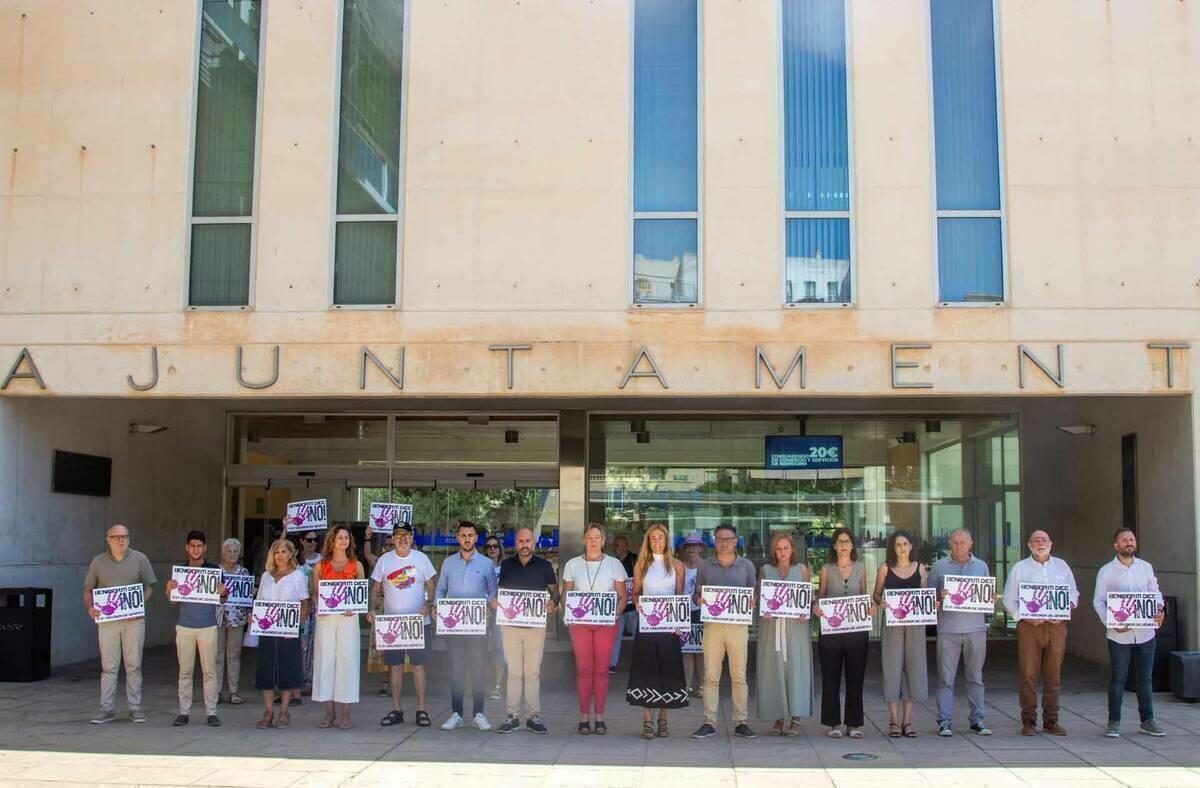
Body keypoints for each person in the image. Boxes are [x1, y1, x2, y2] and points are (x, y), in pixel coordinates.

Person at [1002, 530, 1078, 736]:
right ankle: (1029, 721)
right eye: (1036, 540)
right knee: (1028, 675)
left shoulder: (1062, 567)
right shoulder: (1020, 568)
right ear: (1029, 545)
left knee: (1054, 675)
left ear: (1051, 544)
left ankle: (1051, 721)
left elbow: (1073, 593)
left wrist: (1064, 612)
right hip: (1029, 627)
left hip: (1056, 627)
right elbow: (1009, 599)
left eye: (1044, 540)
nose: (1040, 543)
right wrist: (1023, 617)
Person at [1093, 527, 1166, 738]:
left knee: (1145, 679)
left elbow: (1156, 594)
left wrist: (1161, 610)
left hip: (1145, 633)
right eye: (1124, 540)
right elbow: (1098, 601)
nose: (1129, 543)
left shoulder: (1146, 568)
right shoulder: (1106, 571)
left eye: (1131, 539)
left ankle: (1148, 720)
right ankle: (1113, 721)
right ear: (1116, 545)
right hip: (1119, 635)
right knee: (1118, 678)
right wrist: (1110, 622)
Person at [84, 523, 157, 724]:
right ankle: (106, 709)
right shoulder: (98, 562)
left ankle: (135, 708)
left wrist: (139, 603)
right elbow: (88, 589)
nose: (121, 540)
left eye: (124, 536)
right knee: (109, 666)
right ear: (108, 540)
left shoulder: (140, 559)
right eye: (116, 537)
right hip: (108, 623)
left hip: (134, 621)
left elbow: (150, 585)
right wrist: (90, 608)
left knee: (134, 665)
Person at [691, 523, 757, 740]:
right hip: (713, 627)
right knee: (710, 676)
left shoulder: (747, 566)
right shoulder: (705, 567)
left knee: (739, 676)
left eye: (728, 539)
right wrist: (699, 599)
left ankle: (741, 721)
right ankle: (709, 721)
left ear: (736, 541)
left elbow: (753, 595)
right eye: (720, 539)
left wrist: (752, 602)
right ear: (714, 542)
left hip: (738, 627)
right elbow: (696, 594)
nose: (724, 543)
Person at [369, 521, 437, 729]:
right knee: (395, 667)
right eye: (398, 535)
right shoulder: (384, 560)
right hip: (393, 624)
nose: (402, 539)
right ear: (392, 538)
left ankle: (421, 710)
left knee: (418, 666)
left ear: (412, 537)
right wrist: (372, 609)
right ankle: (397, 710)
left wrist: (428, 603)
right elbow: (375, 587)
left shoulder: (421, 559)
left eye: (406, 535)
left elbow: (432, 584)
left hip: (418, 622)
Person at [562, 524, 627, 735]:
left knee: (601, 670)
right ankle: (583, 717)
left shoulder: (614, 564)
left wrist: (615, 613)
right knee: (583, 669)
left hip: (606, 624)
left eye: (597, 537)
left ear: (603, 540)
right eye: (589, 537)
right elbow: (566, 593)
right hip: (580, 624)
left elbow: (623, 595)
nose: (593, 541)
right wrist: (568, 612)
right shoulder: (572, 564)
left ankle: (599, 716)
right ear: (583, 540)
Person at [624, 524, 688, 738]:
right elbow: (635, 593)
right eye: (653, 538)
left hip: (669, 627)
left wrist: (680, 623)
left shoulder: (678, 566)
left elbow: (679, 596)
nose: (657, 542)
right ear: (648, 541)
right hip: (648, 625)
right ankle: (647, 721)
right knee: (646, 670)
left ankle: (663, 719)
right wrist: (638, 603)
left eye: (661, 538)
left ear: (667, 540)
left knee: (666, 671)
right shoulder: (641, 565)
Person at [927, 528, 992, 737]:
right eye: (955, 543)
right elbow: (929, 600)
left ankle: (977, 720)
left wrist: (989, 599)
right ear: (949, 544)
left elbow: (987, 596)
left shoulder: (981, 566)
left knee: (975, 677)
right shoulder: (939, 567)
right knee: (946, 678)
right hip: (948, 630)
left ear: (970, 543)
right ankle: (944, 721)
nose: (959, 546)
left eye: (963, 542)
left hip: (976, 629)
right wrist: (939, 596)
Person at [495, 527, 558, 734]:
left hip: (535, 628)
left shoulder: (545, 565)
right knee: (514, 672)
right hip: (510, 627)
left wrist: (553, 604)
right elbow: (501, 592)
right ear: (516, 543)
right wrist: (495, 601)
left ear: (534, 542)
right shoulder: (506, 565)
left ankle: (533, 716)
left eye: (528, 541)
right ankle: (512, 716)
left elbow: (555, 593)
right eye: (521, 541)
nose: (524, 545)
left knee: (532, 672)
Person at [435, 520, 497, 731]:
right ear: (458, 538)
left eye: (470, 535)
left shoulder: (487, 564)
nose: (467, 539)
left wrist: (490, 605)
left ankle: (479, 713)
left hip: (477, 627)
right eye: (463, 535)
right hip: (453, 626)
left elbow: (492, 592)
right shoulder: (448, 563)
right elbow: (440, 590)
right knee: (457, 670)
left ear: (476, 538)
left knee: (479, 670)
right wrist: (436, 607)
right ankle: (456, 713)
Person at [814, 526, 874, 739]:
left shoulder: (861, 567)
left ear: (852, 545)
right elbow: (820, 596)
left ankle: (853, 723)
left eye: (847, 541)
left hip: (856, 632)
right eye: (839, 542)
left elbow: (864, 596)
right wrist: (816, 607)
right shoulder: (826, 569)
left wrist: (870, 607)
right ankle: (833, 723)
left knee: (855, 677)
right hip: (831, 633)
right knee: (830, 677)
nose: (843, 546)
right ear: (834, 545)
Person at [166, 530, 227, 727]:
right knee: (185, 671)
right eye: (192, 546)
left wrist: (223, 592)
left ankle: (211, 712)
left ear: (205, 548)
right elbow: (173, 603)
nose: (195, 549)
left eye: (199, 546)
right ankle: (184, 712)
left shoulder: (214, 570)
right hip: (185, 626)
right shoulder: (180, 572)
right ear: (187, 547)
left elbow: (222, 599)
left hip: (208, 626)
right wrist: (169, 591)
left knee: (209, 671)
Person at [756, 532, 813, 736]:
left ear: (792, 549)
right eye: (778, 549)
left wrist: (804, 610)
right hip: (772, 628)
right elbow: (759, 598)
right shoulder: (765, 570)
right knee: (774, 669)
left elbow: (808, 599)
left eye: (786, 548)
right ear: (774, 550)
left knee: (796, 669)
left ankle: (796, 718)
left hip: (795, 629)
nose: (782, 552)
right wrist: (764, 610)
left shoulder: (802, 570)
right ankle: (779, 716)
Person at [872, 530, 928, 739]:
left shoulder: (920, 569)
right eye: (898, 545)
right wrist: (880, 602)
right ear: (893, 548)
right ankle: (893, 720)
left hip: (915, 624)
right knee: (892, 667)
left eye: (905, 543)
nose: (902, 548)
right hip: (893, 624)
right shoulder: (885, 568)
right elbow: (876, 593)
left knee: (913, 668)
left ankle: (907, 721)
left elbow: (924, 596)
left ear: (911, 546)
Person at [310, 524, 364, 729]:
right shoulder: (320, 565)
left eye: (346, 538)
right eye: (340, 537)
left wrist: (355, 608)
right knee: (326, 662)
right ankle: (328, 713)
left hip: (348, 619)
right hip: (326, 619)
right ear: (332, 540)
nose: (343, 541)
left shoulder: (356, 565)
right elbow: (314, 593)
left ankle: (345, 714)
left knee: (347, 661)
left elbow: (361, 592)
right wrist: (317, 605)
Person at [255, 538, 310, 729]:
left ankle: (284, 711)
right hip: (267, 629)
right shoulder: (266, 577)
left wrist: (296, 626)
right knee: (266, 670)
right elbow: (260, 601)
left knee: (287, 670)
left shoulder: (298, 576)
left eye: (284, 551)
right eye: (277, 551)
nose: (280, 555)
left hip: (288, 631)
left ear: (291, 554)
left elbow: (304, 604)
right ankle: (268, 711)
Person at [216, 537, 250, 706]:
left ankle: (233, 691)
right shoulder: (216, 571)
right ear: (223, 553)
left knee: (234, 653)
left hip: (237, 617)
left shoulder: (243, 572)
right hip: (218, 617)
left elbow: (247, 595)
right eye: (229, 551)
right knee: (217, 654)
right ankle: (216, 691)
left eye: (235, 551)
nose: (232, 554)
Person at [362, 532, 395, 696]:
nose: (389, 547)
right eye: (387, 545)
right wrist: (368, 537)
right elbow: (367, 555)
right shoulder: (380, 561)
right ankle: (385, 683)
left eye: (392, 544)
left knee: (397, 645)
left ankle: (395, 682)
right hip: (381, 608)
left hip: (396, 607)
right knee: (383, 647)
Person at [296, 529, 322, 701]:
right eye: (309, 539)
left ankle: (313, 680)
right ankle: (298, 679)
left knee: (315, 643)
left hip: (318, 607)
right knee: (300, 644)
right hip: (300, 608)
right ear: (301, 541)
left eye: (315, 539)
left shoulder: (323, 560)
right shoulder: (296, 561)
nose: (312, 543)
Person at [679, 532, 705, 698]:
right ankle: (687, 685)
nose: (692, 549)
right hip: (683, 612)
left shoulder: (707, 566)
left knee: (702, 649)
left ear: (701, 548)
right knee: (686, 649)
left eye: (695, 545)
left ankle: (702, 685)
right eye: (689, 546)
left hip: (702, 611)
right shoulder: (679, 566)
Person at [608, 533, 638, 673]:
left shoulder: (635, 559)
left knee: (638, 636)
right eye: (614, 545)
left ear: (626, 546)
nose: (615, 548)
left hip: (633, 606)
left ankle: (641, 662)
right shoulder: (611, 562)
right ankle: (612, 664)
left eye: (617, 545)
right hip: (618, 606)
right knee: (615, 637)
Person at [483, 533, 506, 699]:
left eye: (495, 546)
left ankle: (497, 686)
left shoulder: (507, 567)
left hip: (500, 613)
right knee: (479, 648)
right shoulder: (479, 566)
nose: (492, 549)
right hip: (480, 612)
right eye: (489, 547)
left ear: (500, 549)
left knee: (499, 648)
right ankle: (480, 684)